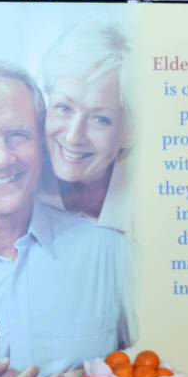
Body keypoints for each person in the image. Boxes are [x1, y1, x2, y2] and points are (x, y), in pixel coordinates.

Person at [0, 61, 133, 377]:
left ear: (43, 148)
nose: (1, 158)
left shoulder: (108, 252)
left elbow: (161, 360)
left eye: (18, 135)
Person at [38, 20, 132, 232]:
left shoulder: (153, 200)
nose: (73, 137)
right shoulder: (18, 180)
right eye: (63, 108)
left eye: (100, 119)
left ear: (130, 132)